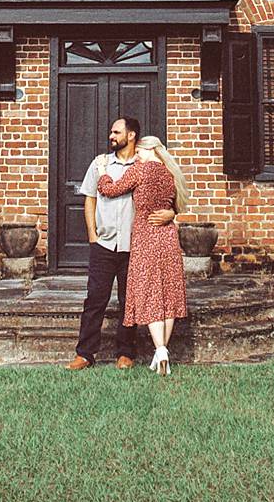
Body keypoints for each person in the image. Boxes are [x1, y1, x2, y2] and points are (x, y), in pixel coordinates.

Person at [68, 117, 176, 370]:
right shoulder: (100, 164)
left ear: (131, 135)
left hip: (136, 246)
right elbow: (90, 199)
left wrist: (172, 214)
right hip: (104, 244)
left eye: (116, 132)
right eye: (111, 132)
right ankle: (85, 353)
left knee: (130, 301)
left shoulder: (147, 165)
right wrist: (92, 236)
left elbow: (169, 197)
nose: (111, 136)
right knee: (95, 299)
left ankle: (125, 352)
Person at [97, 134, 189, 376]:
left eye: (139, 152)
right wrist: (170, 213)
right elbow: (176, 205)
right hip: (168, 237)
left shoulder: (141, 170)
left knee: (150, 294)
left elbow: (110, 189)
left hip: (146, 237)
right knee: (168, 293)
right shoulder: (170, 173)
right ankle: (163, 350)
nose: (136, 156)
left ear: (150, 150)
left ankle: (160, 350)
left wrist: (103, 170)